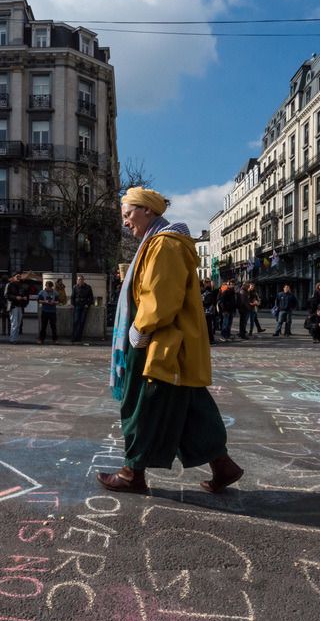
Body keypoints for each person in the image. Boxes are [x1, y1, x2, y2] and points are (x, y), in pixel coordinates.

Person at [100, 187, 242, 495]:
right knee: (189, 409)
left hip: (160, 344)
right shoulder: (159, 243)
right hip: (172, 345)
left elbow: (161, 296)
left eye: (128, 214)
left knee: (142, 406)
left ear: (148, 211)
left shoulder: (163, 245)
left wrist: (140, 328)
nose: (125, 222)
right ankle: (222, 464)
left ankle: (131, 473)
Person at [5, 272, 29, 344]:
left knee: (18, 324)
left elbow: (26, 294)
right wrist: (15, 297)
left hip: (20, 306)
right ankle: (12, 339)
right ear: (13, 277)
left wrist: (25, 298)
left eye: (19, 276)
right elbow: (6, 295)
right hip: (13, 306)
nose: (19, 277)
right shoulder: (9, 285)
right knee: (14, 323)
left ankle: (15, 338)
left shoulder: (21, 285)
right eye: (17, 276)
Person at [71, 275, 94, 343]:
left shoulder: (88, 287)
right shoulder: (75, 287)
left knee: (81, 322)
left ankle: (79, 337)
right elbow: (72, 297)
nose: (80, 281)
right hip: (77, 305)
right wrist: (73, 304)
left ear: (83, 280)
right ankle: (73, 337)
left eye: (81, 279)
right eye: (78, 280)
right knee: (76, 321)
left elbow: (91, 298)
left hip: (84, 306)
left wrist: (88, 304)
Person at [36, 280, 59, 344]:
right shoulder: (42, 292)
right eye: (48, 287)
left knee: (53, 326)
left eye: (50, 287)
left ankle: (55, 339)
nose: (49, 288)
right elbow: (39, 301)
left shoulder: (55, 292)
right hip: (45, 311)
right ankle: (41, 339)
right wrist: (45, 301)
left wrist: (53, 302)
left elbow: (58, 301)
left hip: (52, 311)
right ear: (45, 286)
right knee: (43, 326)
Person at [200, 278, 218, 344]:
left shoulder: (208, 291)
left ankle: (209, 339)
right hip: (206, 312)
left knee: (209, 326)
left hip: (207, 312)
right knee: (208, 327)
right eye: (207, 282)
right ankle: (209, 340)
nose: (209, 283)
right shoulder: (204, 291)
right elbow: (207, 301)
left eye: (209, 282)